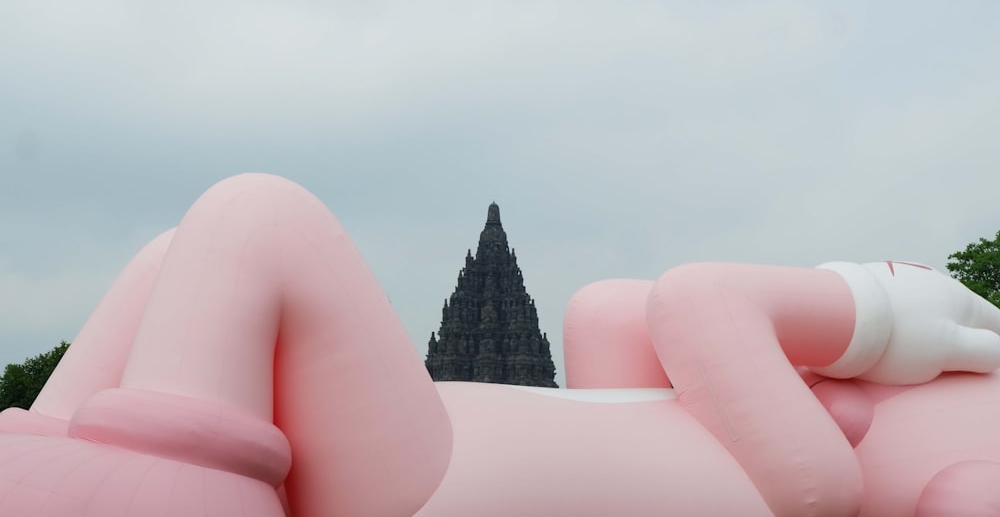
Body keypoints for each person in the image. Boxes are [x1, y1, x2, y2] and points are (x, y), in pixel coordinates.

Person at [2, 173, 999, 516]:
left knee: (249, 221)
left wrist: (868, 306)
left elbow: (700, 298)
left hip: (416, 486)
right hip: (408, 461)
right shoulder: (754, 428)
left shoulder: (816, 476)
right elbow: (615, 309)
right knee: (176, 257)